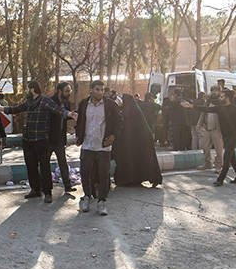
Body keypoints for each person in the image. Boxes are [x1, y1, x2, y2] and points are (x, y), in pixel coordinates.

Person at [0, 81, 71, 203]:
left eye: (28, 89)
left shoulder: (45, 100)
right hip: (28, 139)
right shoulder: (29, 102)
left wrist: (69, 113)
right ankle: (35, 189)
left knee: (44, 167)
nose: (27, 91)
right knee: (31, 166)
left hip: (41, 140)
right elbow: (15, 109)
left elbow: (58, 110)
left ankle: (48, 192)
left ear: (33, 89)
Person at [75, 80, 123, 215]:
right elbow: (80, 122)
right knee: (85, 172)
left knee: (103, 175)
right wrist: (78, 136)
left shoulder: (110, 105)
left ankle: (102, 201)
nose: (100, 92)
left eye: (102, 90)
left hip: (103, 147)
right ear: (91, 90)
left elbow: (119, 123)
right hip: (87, 145)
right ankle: (87, 197)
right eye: (97, 89)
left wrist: (113, 136)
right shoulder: (84, 104)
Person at [114, 93, 163, 187]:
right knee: (141, 159)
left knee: (136, 158)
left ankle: (131, 179)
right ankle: (136, 178)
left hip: (139, 140)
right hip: (140, 139)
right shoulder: (133, 109)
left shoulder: (128, 111)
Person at [50, 82, 76, 194]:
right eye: (67, 91)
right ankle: (45, 187)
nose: (69, 93)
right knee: (44, 163)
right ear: (60, 91)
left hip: (60, 138)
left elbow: (65, 117)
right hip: (49, 138)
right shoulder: (50, 102)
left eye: (70, 90)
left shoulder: (66, 103)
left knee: (63, 163)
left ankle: (67, 186)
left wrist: (73, 116)